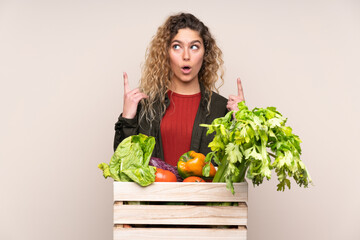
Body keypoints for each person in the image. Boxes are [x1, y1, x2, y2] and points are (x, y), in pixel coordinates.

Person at [114, 13, 244, 166]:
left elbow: (235, 170)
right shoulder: (145, 105)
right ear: (165, 53)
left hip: (204, 191)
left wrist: (242, 123)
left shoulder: (221, 108)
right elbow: (124, 167)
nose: (186, 56)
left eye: (194, 47)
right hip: (154, 191)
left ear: (205, 53)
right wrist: (128, 118)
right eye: (177, 46)